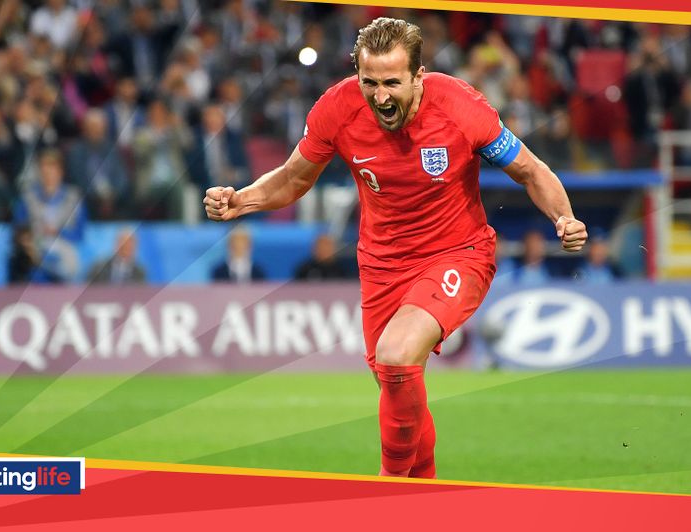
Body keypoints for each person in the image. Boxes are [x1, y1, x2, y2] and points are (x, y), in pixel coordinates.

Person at [202, 18, 586, 479]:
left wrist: (563, 216)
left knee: (398, 354)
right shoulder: (339, 108)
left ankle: (385, 492)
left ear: (418, 76)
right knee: (398, 389)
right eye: (369, 82)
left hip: (458, 253)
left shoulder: (461, 107)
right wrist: (241, 200)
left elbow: (530, 170)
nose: (380, 96)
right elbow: (292, 179)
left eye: (391, 83)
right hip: (382, 267)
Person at [13, 149, 86, 283]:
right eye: (44, 170)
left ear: (60, 172)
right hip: (35, 255)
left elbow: (79, 234)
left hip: (65, 255)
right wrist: (28, 242)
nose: (48, 175)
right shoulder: (28, 198)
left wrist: (58, 232)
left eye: (52, 170)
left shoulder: (73, 198)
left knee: (69, 267)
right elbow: (19, 229)